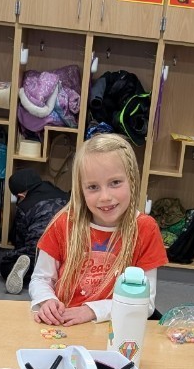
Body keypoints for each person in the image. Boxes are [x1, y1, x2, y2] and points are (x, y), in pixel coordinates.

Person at [30, 133, 167, 326]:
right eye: (93, 187)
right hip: (64, 328)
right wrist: (46, 300)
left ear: (132, 181)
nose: (105, 196)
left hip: (113, 331)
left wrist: (91, 311)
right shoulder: (63, 223)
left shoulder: (145, 229)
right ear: (80, 189)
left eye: (115, 183)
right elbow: (40, 279)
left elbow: (146, 304)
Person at [0, 168, 69, 295]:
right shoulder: (64, 195)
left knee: (6, 263)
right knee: (58, 262)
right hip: (64, 250)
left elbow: (19, 240)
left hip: (37, 250)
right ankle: (61, 274)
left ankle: (28, 271)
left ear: (21, 196)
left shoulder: (24, 206)